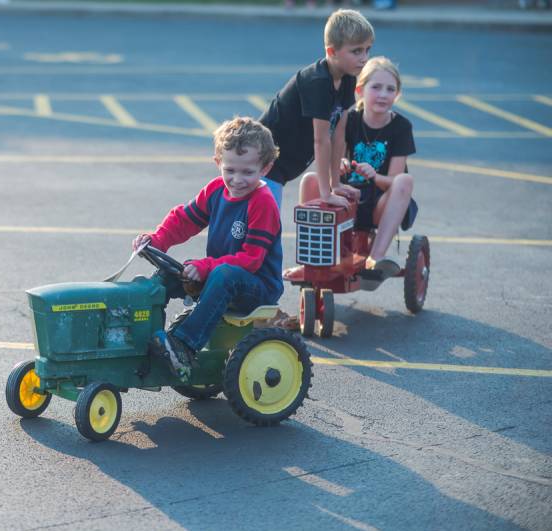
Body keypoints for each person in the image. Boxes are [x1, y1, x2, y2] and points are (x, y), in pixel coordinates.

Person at [132, 117, 283, 382]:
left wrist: (205, 267)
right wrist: (157, 240)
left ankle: (184, 346)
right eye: (230, 170)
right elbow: (184, 220)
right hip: (220, 277)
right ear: (218, 163)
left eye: (248, 172)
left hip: (256, 287)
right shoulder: (216, 190)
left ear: (266, 168)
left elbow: (251, 260)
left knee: (223, 273)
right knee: (171, 274)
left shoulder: (263, 203)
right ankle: (142, 334)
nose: (237, 180)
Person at [302, 56, 417, 276]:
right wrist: (340, 164)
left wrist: (374, 176)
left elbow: (393, 181)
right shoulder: (350, 119)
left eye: (390, 89)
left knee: (405, 180)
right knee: (311, 179)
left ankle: (376, 256)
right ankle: (313, 258)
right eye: (376, 87)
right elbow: (332, 156)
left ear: (397, 94)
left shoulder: (401, 127)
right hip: (346, 199)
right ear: (359, 90)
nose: (383, 94)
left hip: (379, 205)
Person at [259, 9, 374, 210]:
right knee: (264, 227)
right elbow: (321, 140)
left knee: (265, 227)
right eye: (356, 51)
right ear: (331, 52)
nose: (364, 58)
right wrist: (326, 194)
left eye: (367, 49)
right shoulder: (318, 82)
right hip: (262, 161)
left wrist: (336, 183)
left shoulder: (348, 77)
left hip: (282, 166)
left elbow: (339, 134)